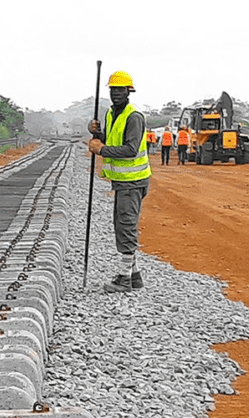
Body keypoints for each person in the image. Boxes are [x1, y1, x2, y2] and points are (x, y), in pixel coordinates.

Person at [87, 70, 152, 293]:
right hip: (122, 182)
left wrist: (102, 149)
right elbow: (113, 138)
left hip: (133, 181)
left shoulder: (134, 117)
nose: (116, 93)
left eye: (120, 90)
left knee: (125, 227)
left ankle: (125, 280)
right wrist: (97, 134)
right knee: (121, 225)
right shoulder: (111, 113)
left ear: (128, 92)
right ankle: (134, 276)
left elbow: (131, 149)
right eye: (113, 89)